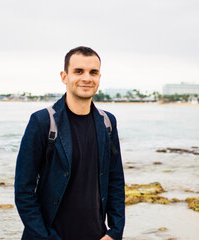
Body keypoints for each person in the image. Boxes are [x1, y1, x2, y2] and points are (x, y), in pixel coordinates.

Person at [15, 46, 125, 240]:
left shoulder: (108, 122)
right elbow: (24, 190)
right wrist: (45, 236)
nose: (86, 78)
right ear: (64, 76)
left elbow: (115, 181)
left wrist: (114, 232)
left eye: (93, 72)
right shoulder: (42, 122)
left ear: (100, 77)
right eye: (78, 71)